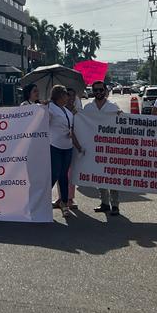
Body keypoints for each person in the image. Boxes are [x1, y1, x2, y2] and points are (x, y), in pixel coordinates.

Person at [87, 81, 121, 215]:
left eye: (101, 90)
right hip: (95, 147)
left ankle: (115, 205)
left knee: (112, 177)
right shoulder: (88, 108)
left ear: (105, 90)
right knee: (99, 176)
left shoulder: (113, 107)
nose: (98, 93)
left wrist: (121, 116)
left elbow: (121, 125)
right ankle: (105, 203)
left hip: (111, 147)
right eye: (95, 90)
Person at [47, 85, 82, 218]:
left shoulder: (67, 111)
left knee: (64, 176)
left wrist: (78, 147)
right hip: (54, 146)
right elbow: (41, 119)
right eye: (66, 94)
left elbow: (71, 130)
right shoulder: (50, 108)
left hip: (67, 147)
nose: (68, 97)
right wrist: (44, 105)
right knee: (55, 174)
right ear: (59, 96)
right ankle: (43, 200)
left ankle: (65, 203)